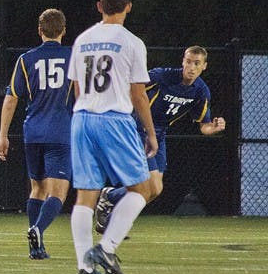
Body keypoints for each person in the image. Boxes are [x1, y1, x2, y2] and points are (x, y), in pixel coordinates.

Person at [66, 0, 157, 274]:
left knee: (85, 196)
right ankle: (106, 248)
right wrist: (150, 133)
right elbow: (138, 94)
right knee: (143, 189)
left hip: (82, 118)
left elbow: (77, 88)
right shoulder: (132, 42)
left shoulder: (82, 39)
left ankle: (85, 269)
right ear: (128, 7)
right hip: (114, 118)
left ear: (99, 6)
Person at [94, 46, 227, 232]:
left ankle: (110, 197)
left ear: (204, 66)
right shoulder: (162, 76)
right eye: (188, 62)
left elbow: (204, 126)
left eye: (197, 63)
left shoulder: (200, 91)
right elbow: (133, 88)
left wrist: (213, 128)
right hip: (138, 128)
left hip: (159, 133)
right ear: (183, 61)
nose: (191, 67)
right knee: (146, 185)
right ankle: (114, 220)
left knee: (155, 189)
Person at [0, 9, 73, 259]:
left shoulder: (26, 59)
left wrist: (3, 135)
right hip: (61, 133)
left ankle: (36, 247)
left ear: (40, 31)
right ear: (63, 30)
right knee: (58, 192)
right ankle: (37, 229)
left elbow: (11, 99)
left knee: (38, 189)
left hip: (33, 133)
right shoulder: (74, 57)